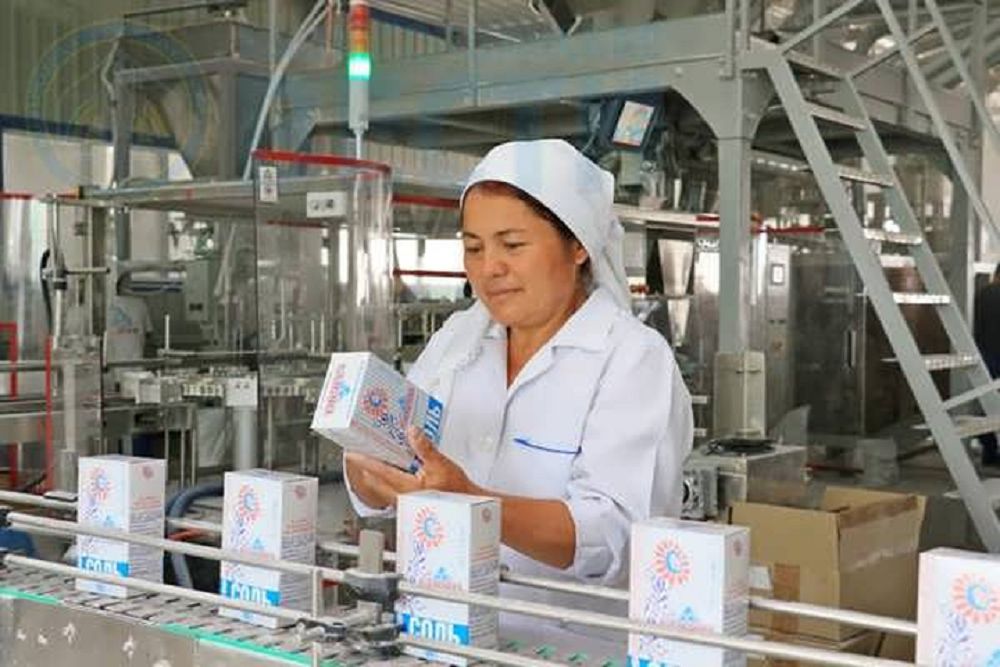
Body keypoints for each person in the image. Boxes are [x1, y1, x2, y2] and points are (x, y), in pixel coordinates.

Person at [345, 139, 693, 651]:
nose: (489, 268)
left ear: (578, 245)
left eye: (512, 245)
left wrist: (471, 502)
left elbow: (616, 537)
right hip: (442, 631)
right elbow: (402, 462)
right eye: (474, 247)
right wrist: (372, 477)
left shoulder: (632, 359)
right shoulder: (456, 341)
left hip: (572, 648)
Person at [974, 263, 1000, 467]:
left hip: (986, 355)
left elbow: (978, 326)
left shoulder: (984, 294)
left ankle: (989, 451)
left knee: (987, 403)